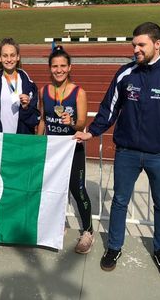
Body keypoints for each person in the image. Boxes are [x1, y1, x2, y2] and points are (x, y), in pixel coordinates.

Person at [74, 22, 160, 279]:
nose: (136, 49)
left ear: (157, 44)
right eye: (134, 45)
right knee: (119, 201)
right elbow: (109, 108)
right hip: (127, 153)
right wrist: (93, 131)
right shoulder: (125, 74)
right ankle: (114, 247)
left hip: (159, 155)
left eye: (141, 45)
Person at [37, 45, 95, 254]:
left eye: (63, 66)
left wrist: (72, 123)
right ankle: (55, 227)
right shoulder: (44, 91)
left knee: (77, 191)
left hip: (72, 149)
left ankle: (88, 231)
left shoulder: (79, 93)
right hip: (51, 149)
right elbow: (43, 119)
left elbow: (81, 124)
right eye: (55, 66)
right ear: (50, 68)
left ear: (69, 67)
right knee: (52, 190)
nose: (59, 70)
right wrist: (37, 143)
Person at [0, 38, 39, 134]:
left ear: (18, 57)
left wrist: (26, 108)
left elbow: (34, 120)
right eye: (5, 56)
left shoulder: (29, 85)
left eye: (12, 55)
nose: (9, 59)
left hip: (19, 142)